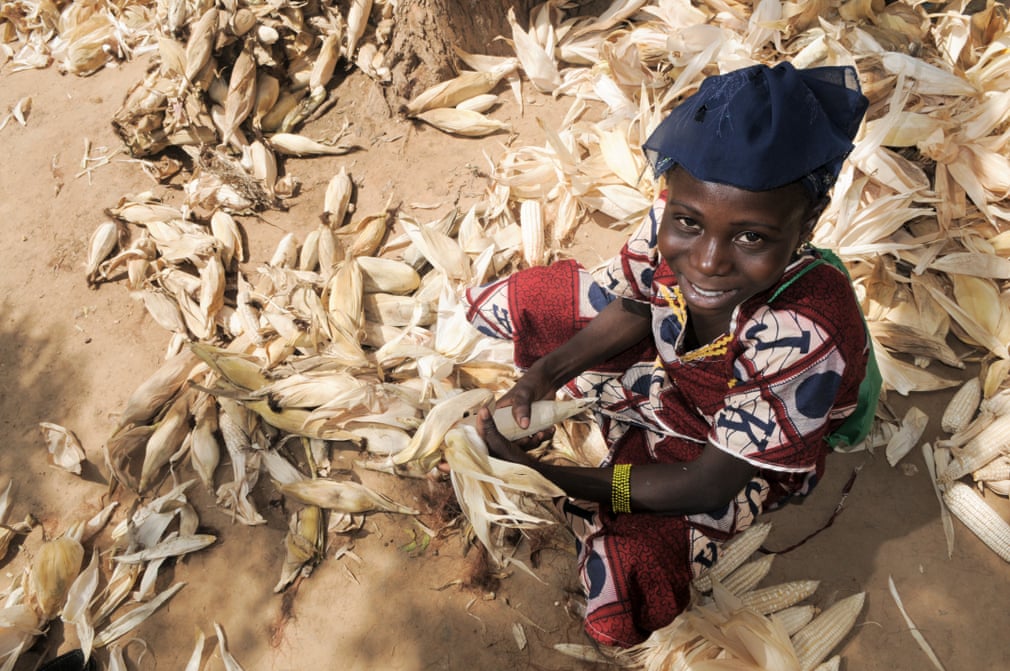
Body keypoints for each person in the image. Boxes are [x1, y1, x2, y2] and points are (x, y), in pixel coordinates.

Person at [462, 61, 881, 648]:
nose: (708, 261)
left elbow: (707, 484)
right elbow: (636, 302)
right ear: (671, 198)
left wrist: (548, 477)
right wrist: (544, 375)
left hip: (727, 452)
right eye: (689, 222)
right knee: (538, 301)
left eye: (751, 237)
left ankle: (620, 450)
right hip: (671, 373)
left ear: (807, 221)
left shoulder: (805, 328)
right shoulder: (671, 219)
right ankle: (609, 408)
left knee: (632, 574)